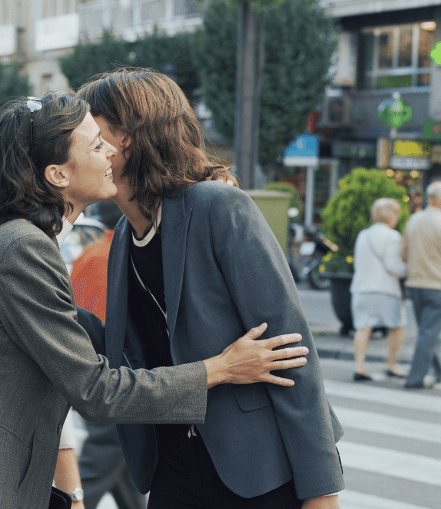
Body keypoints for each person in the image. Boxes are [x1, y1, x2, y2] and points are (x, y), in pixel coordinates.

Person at [0, 92, 309, 509]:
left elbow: (81, 337)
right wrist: (222, 368)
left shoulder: (24, 241)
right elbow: (95, 390)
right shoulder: (23, 248)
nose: (111, 154)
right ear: (58, 175)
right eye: (97, 144)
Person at [77, 69, 344, 509]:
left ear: (125, 136)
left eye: (90, 128)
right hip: (173, 469)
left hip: (257, 473)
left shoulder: (217, 207)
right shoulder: (126, 234)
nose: (80, 140)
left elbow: (292, 353)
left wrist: (321, 495)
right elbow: (132, 352)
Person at [71, 199, 147, 509]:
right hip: (117, 379)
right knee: (100, 462)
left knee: (126, 471)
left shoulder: (89, 255)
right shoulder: (124, 256)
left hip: (92, 371)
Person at [350, 198, 407, 381]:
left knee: (363, 328)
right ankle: (391, 364)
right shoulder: (393, 236)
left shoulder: (363, 234)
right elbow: (394, 267)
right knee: (398, 325)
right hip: (385, 289)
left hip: (361, 288)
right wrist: (410, 269)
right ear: (392, 215)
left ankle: (359, 367)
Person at [401, 180, 441, 389]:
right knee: (429, 332)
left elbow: (403, 253)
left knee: (426, 330)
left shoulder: (413, 220)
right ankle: (415, 378)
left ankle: (439, 369)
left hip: (415, 284)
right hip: (439, 285)